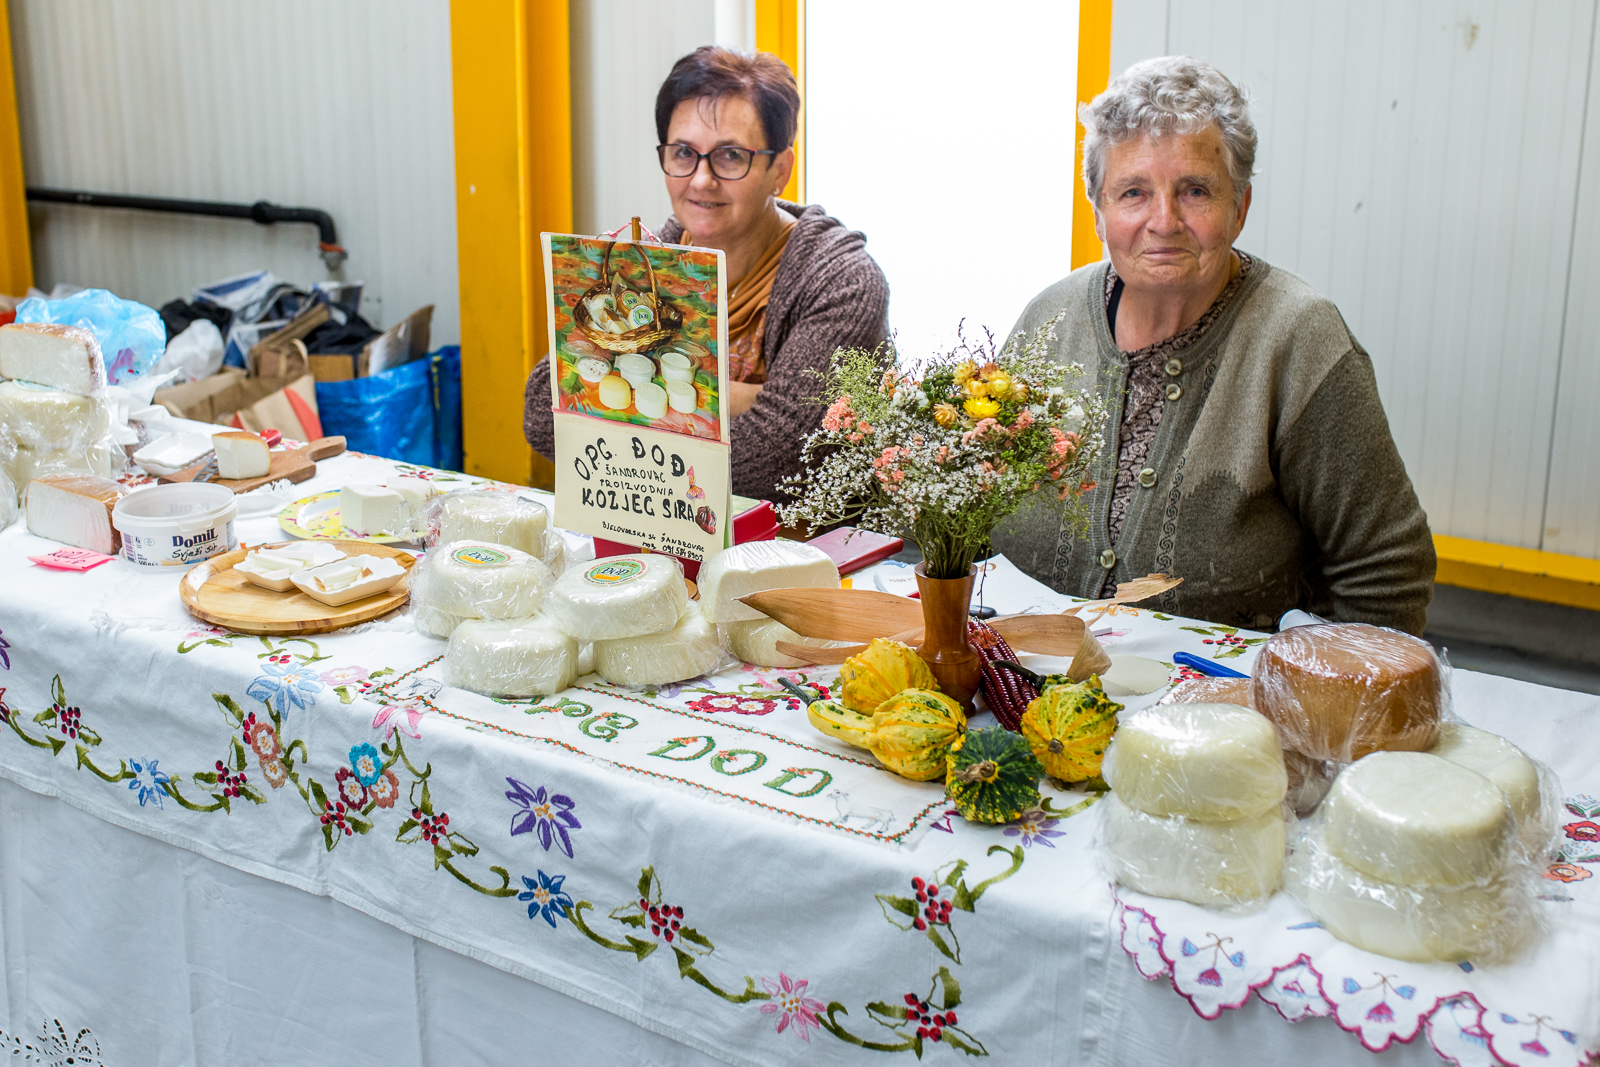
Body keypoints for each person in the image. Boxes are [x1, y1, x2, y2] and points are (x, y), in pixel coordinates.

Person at [991, 56, 1435, 634]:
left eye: (1195, 191)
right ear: (1098, 212)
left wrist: (1315, 706)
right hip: (1011, 681)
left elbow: (1386, 573)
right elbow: (972, 510)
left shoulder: (1299, 338)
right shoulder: (1048, 317)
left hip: (1223, 706)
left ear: (1239, 208)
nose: (1164, 221)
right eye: (1132, 193)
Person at [524, 46, 889, 503]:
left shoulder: (842, 283)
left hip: (804, 553)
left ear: (781, 169)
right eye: (683, 153)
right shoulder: (641, 264)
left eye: (731, 156)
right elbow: (543, 417)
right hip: (655, 536)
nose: (700, 180)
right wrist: (737, 398)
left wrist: (632, 400)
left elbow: (780, 459)